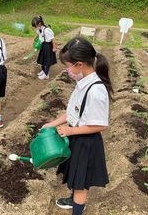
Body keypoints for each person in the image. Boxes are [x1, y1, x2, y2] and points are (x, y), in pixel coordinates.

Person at [42, 37, 113, 215]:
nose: (67, 70)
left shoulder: (96, 91)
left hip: (87, 142)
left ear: (80, 65)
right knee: (75, 176)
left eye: (68, 66)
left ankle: (77, 210)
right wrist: (52, 123)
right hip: (76, 136)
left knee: (81, 183)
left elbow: (100, 125)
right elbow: (72, 112)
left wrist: (70, 130)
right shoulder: (82, 83)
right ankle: (73, 201)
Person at [31, 16, 57, 80]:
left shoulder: (47, 30)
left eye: (35, 26)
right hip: (43, 45)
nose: (34, 27)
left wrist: (54, 47)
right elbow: (39, 34)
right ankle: (43, 70)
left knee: (47, 60)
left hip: (48, 46)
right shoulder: (40, 29)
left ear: (39, 24)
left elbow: (52, 38)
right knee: (42, 59)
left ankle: (46, 74)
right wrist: (35, 38)